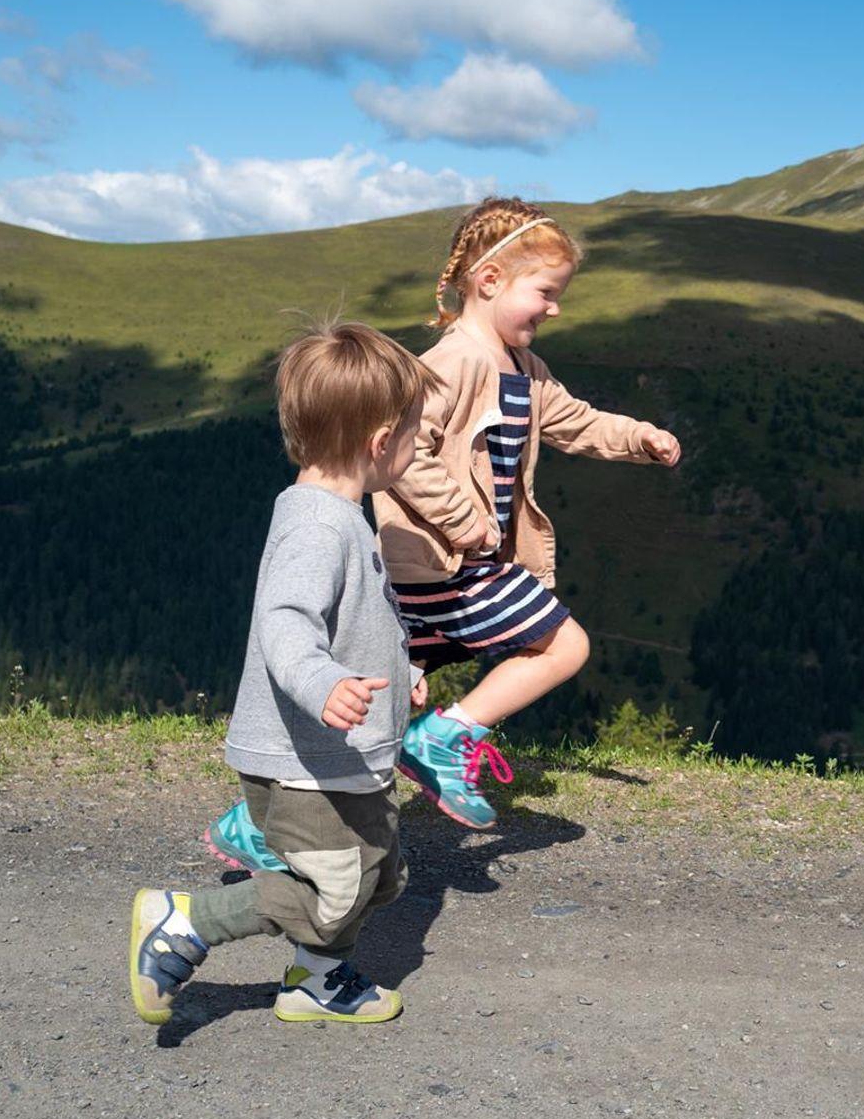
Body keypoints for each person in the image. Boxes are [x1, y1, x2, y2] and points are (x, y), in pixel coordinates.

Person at [201, 197, 680, 871]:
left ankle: (259, 822)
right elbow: (403, 452)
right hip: (447, 563)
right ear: (489, 281)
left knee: (375, 697)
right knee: (563, 645)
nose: (553, 309)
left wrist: (638, 438)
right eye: (545, 292)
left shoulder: (524, 369)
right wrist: (465, 521)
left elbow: (574, 420)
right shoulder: (452, 363)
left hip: (442, 568)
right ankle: (445, 739)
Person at [130, 321, 440, 1027]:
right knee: (333, 888)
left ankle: (317, 983)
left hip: (340, 756)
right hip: (307, 762)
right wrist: (324, 685)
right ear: (379, 441)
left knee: (375, 873)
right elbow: (287, 623)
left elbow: (354, 617)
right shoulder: (318, 527)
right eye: (416, 432)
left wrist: (400, 669)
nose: (420, 444)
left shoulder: (337, 514)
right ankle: (187, 921)